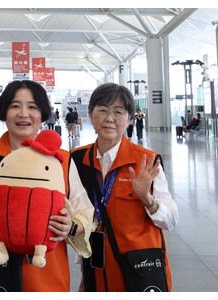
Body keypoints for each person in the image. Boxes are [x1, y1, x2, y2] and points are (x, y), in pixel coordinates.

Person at [0, 80, 94, 292]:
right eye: (15, 106)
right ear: (4, 111)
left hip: (46, 275)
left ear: (43, 113)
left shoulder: (62, 160)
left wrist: (69, 226)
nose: (23, 114)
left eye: (32, 107)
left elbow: (86, 213)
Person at [71, 83, 178, 292]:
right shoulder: (77, 160)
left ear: (129, 119)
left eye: (118, 112)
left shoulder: (146, 160)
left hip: (139, 268)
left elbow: (171, 219)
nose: (109, 118)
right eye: (102, 110)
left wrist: (147, 198)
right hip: (95, 266)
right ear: (91, 115)